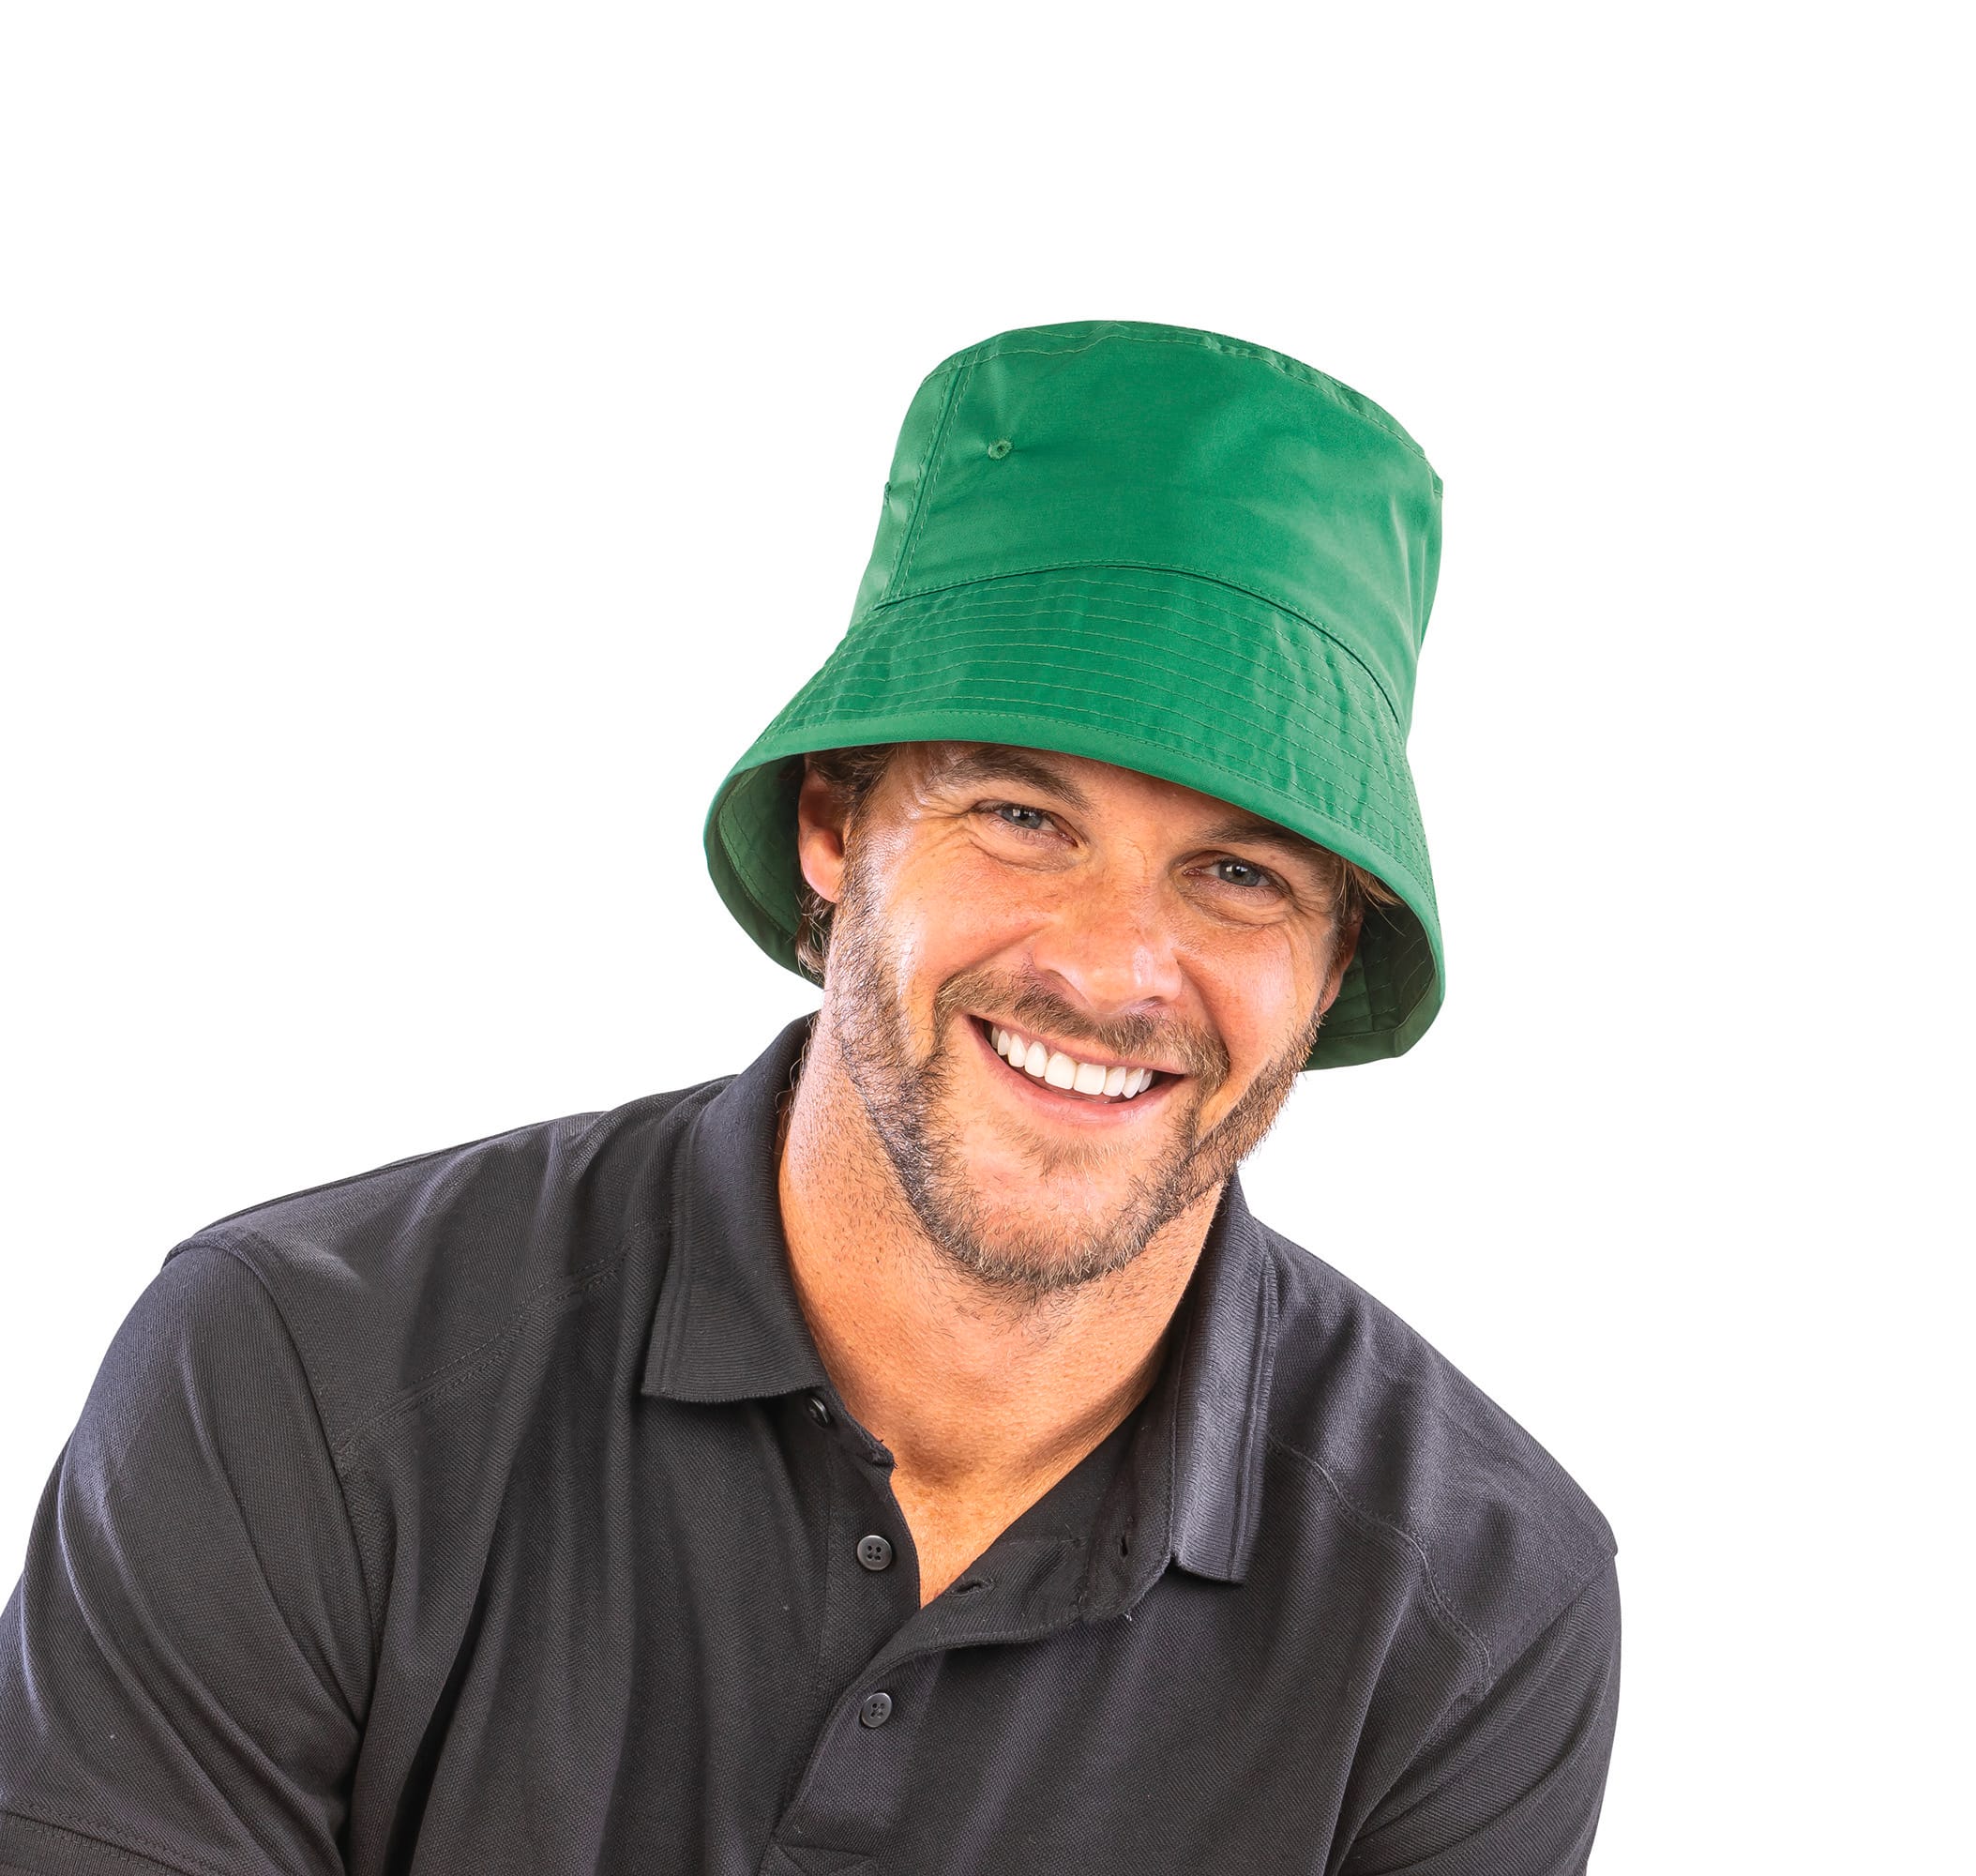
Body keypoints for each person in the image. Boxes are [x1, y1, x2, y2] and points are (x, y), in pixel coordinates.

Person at [0, 319, 1621, 1873]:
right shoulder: (301, 1376)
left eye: (1240, 875)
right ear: (836, 829)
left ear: (1332, 968)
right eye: (1023, 817)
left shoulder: (1478, 1610)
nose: (1115, 967)